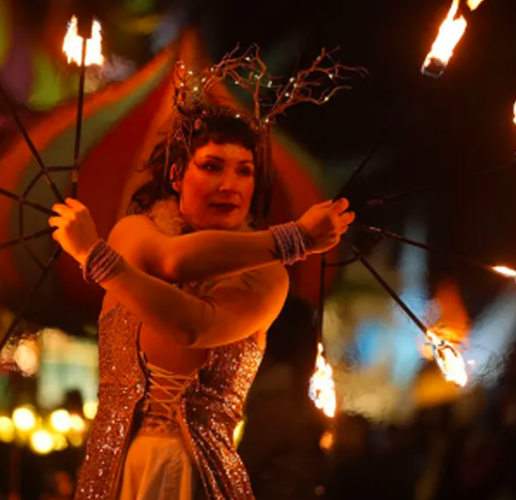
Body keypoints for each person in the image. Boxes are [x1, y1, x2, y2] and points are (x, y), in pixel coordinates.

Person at [49, 102, 354, 499]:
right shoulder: (135, 232)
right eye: (212, 166)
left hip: (194, 476)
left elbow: (192, 326)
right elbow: (174, 261)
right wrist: (294, 239)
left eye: (244, 171)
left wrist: (94, 255)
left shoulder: (267, 275)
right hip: (108, 471)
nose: (230, 185)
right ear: (177, 174)